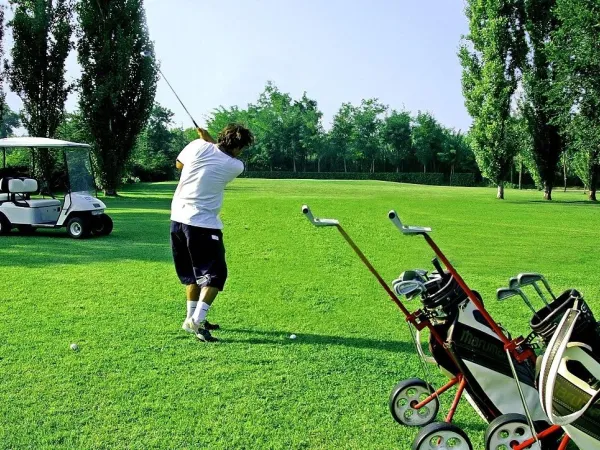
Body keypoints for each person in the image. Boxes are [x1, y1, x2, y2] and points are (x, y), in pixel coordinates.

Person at [170, 123, 254, 342]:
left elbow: (180, 165)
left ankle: (191, 319)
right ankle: (196, 320)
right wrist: (208, 142)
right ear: (238, 148)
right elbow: (222, 157)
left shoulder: (197, 145)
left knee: (193, 274)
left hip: (178, 220)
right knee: (215, 276)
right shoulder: (235, 165)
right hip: (203, 225)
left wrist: (205, 141)